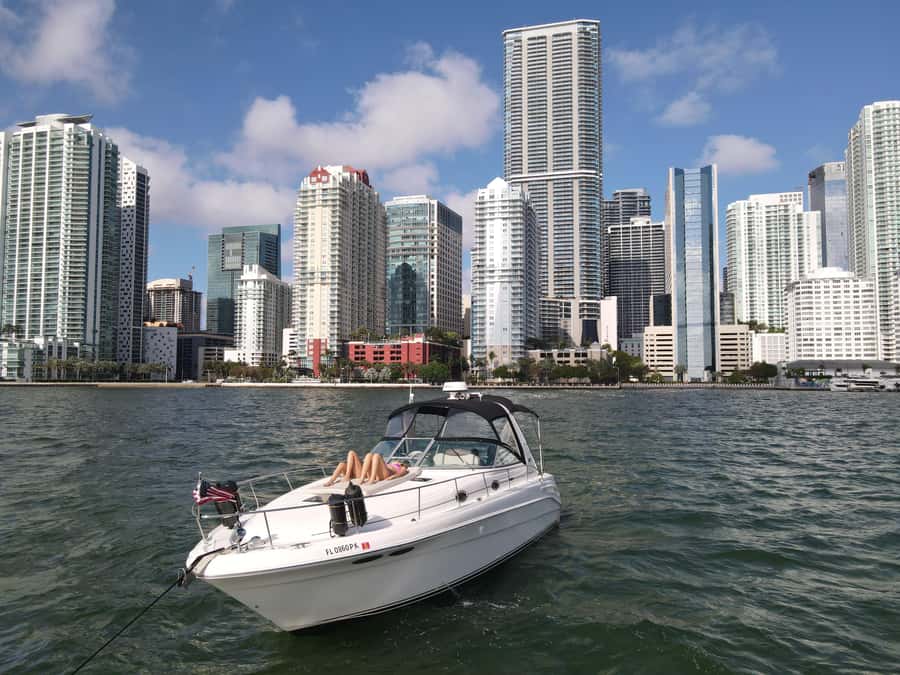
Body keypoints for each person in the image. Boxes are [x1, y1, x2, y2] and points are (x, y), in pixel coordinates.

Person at [324, 451, 408, 486]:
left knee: (376, 455)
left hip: (386, 474)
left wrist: (394, 476)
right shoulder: (392, 463)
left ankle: (371, 480)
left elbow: (403, 473)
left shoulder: (402, 467)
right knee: (368, 454)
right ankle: (362, 478)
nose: (400, 461)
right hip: (377, 473)